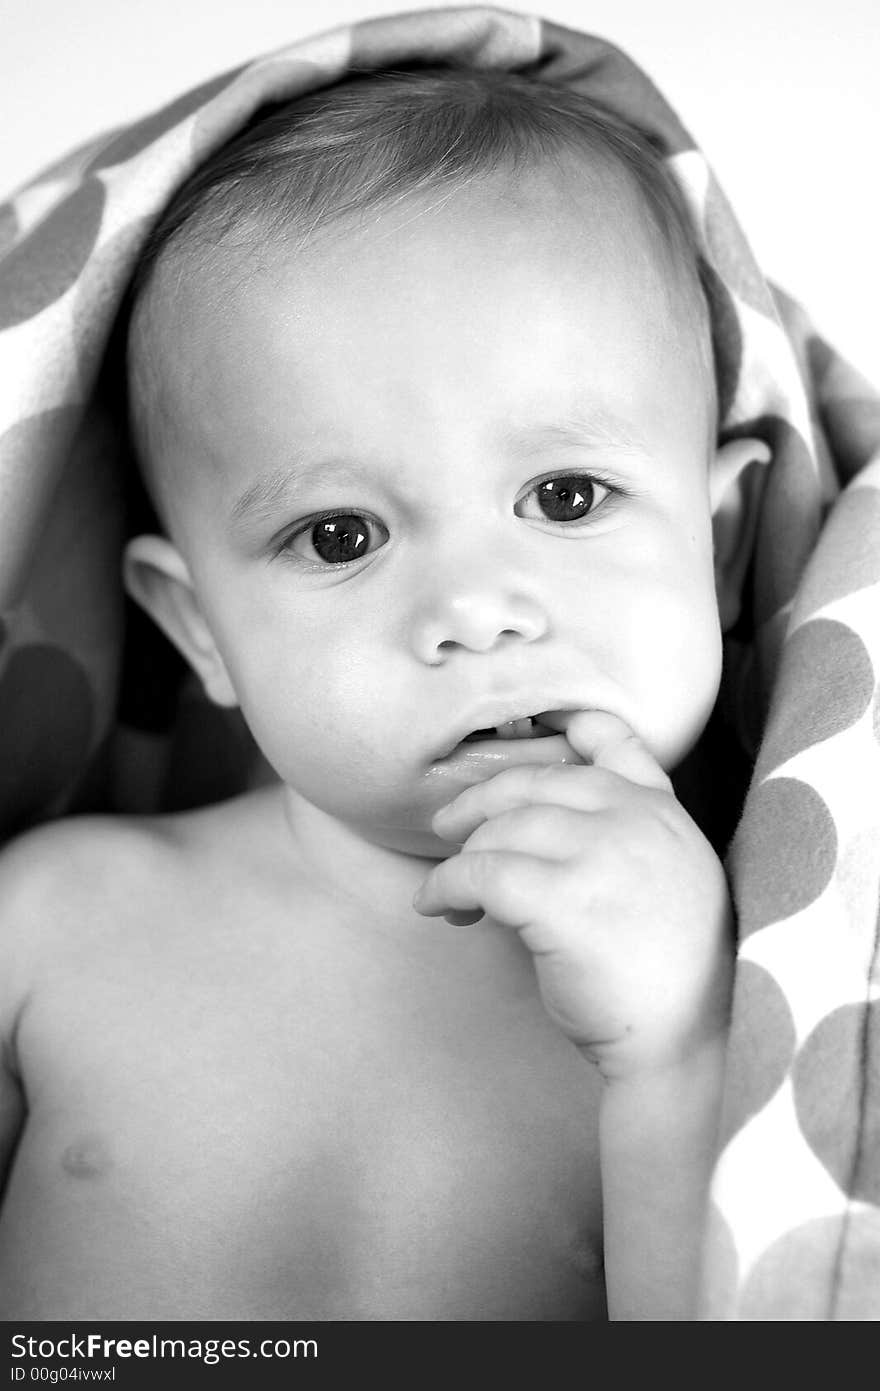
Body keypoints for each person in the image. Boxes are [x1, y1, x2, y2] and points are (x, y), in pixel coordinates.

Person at [0, 66, 764, 1321]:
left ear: (721, 544)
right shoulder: (53, 919)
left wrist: (675, 1061)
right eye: (342, 534)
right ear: (202, 629)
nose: (474, 609)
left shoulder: (757, 1002)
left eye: (565, 497)